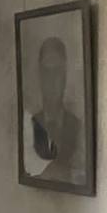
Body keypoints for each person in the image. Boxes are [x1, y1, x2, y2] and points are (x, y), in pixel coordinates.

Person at [28, 37, 82, 183]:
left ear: (64, 77)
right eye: (47, 72)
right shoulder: (29, 125)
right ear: (40, 77)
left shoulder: (77, 126)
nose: (51, 81)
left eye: (57, 72)